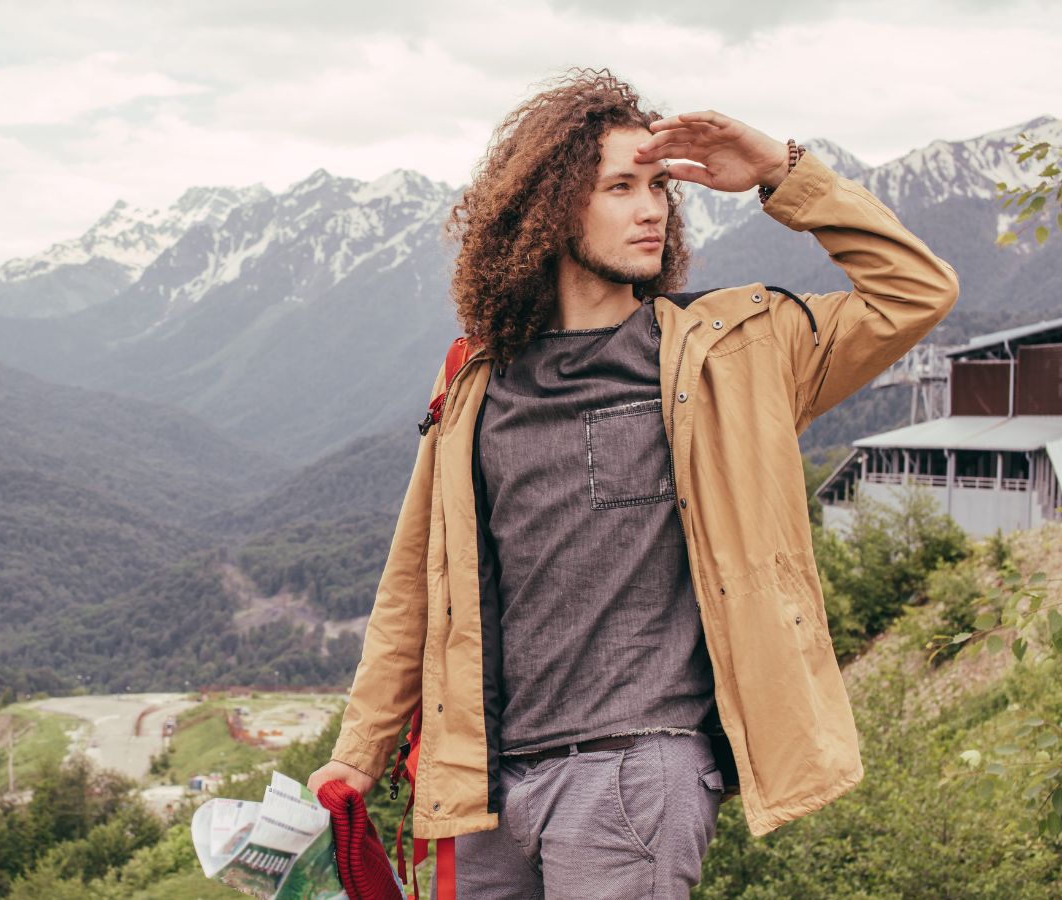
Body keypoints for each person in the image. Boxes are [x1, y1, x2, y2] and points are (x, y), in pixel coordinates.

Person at [306, 68, 959, 899]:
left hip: (635, 777)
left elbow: (916, 290)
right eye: (620, 187)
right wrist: (358, 753)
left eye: (658, 187)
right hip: (485, 787)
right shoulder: (477, 384)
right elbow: (414, 591)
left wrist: (777, 170)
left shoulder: (735, 353)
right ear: (549, 210)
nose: (653, 207)